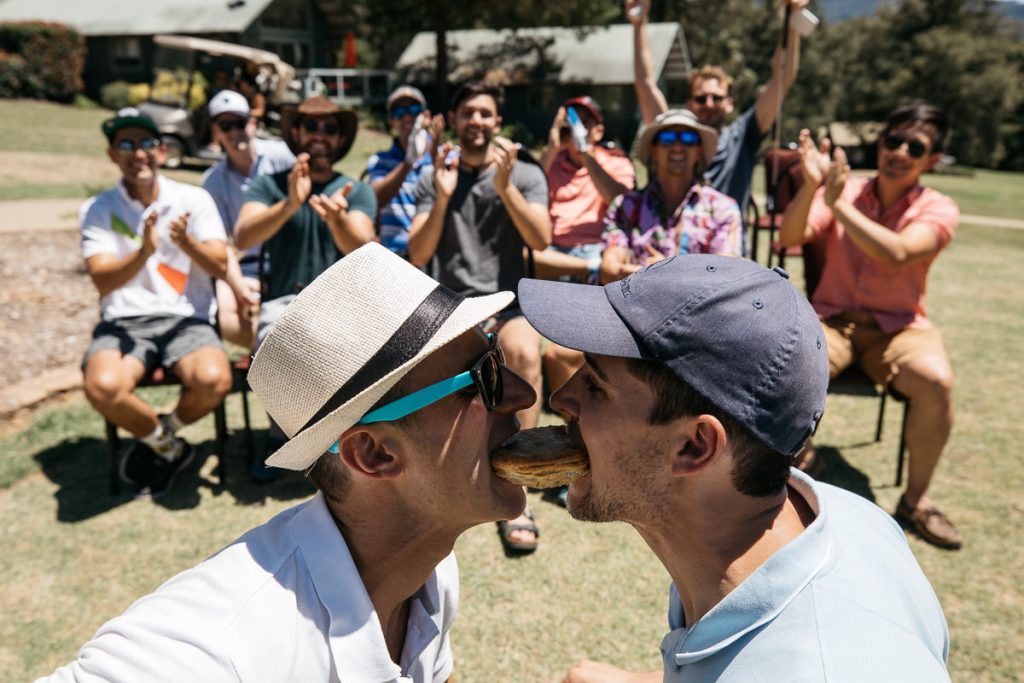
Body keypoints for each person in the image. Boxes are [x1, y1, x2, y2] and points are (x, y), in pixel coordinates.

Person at [36, 242, 536, 683]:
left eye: (496, 355)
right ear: (373, 453)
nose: (525, 393)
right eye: (483, 376)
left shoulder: (431, 566)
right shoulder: (218, 651)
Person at [514, 255, 951, 682]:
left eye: (595, 384)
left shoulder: (810, 665)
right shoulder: (850, 518)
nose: (559, 400)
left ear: (694, 447)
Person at [779, 102, 962, 550]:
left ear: (932, 160)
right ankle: (796, 460)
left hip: (899, 328)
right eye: (892, 140)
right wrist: (813, 186)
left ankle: (916, 502)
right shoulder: (846, 189)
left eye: (913, 146)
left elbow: (898, 252)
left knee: (936, 382)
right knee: (785, 360)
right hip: (834, 320)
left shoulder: (939, 207)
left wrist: (837, 203)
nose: (898, 151)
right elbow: (790, 235)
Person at [408, 80, 551, 553]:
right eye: (468, 112)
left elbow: (541, 240)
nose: (477, 122)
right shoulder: (434, 178)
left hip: (509, 304)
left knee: (525, 351)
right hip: (451, 308)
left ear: (497, 121)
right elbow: (418, 252)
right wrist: (444, 196)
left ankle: (520, 480)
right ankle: (446, 484)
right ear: (454, 119)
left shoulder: (524, 174)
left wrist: (505, 188)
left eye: (486, 113)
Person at [79, 107, 232, 498]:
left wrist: (185, 243)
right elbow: (102, 279)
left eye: (146, 142)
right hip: (125, 323)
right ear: (112, 153)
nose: (138, 152)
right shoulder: (98, 209)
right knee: (103, 386)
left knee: (214, 381)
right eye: (125, 144)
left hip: (187, 320)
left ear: (162, 151)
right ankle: (170, 448)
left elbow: (218, 265)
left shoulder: (193, 199)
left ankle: (161, 435)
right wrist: (145, 250)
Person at [235, 94, 376, 478]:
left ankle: (336, 441)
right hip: (283, 300)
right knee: (270, 343)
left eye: (330, 128)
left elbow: (365, 247)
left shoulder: (355, 190)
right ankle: (279, 437)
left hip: (340, 302)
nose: (320, 135)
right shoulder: (270, 185)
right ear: (296, 132)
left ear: (339, 137)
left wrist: (337, 220)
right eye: (311, 126)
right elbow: (244, 235)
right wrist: (290, 204)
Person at [537, 95, 636, 506]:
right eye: (571, 121)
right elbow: (531, 199)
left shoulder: (614, 160)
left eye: (587, 121)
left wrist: (586, 154)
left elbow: (622, 202)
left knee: (576, 352)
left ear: (598, 129)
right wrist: (552, 147)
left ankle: (589, 445)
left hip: (598, 259)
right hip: (553, 257)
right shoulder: (551, 163)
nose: (577, 128)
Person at [628, 0, 807, 218]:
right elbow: (645, 84)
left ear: (729, 102)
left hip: (726, 247)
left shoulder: (742, 137)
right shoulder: (673, 134)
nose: (709, 104)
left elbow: (782, 78)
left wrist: (793, 19)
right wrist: (639, 24)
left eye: (717, 98)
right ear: (689, 104)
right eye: (701, 98)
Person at [600, 108, 742, 283]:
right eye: (667, 139)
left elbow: (727, 276)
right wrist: (675, 274)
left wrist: (665, 271)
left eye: (688, 139)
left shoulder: (722, 209)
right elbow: (608, 270)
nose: (677, 147)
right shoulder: (625, 207)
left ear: (699, 151)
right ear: (653, 150)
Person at [200, 89, 295, 349]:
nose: (234, 132)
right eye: (225, 125)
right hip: (248, 264)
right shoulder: (212, 181)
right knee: (227, 318)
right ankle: (276, 354)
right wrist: (238, 285)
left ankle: (277, 354)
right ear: (216, 132)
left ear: (252, 124)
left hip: (288, 258)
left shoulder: (283, 156)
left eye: (239, 123)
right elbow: (221, 243)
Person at [365, 85, 445, 257]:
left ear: (426, 116)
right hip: (394, 256)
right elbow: (374, 200)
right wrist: (408, 162)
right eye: (399, 112)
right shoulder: (380, 161)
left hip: (434, 255)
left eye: (414, 110)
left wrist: (434, 152)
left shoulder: (445, 154)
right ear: (391, 121)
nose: (407, 117)